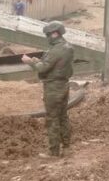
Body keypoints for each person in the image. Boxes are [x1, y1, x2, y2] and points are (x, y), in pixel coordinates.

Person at [21, 21, 74, 157]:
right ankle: (67, 148)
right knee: (63, 116)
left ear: (55, 34)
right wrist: (38, 60)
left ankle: (54, 152)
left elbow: (43, 68)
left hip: (53, 87)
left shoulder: (56, 50)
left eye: (48, 35)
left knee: (52, 119)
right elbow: (54, 64)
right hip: (64, 84)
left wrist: (30, 62)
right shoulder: (68, 47)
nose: (47, 38)